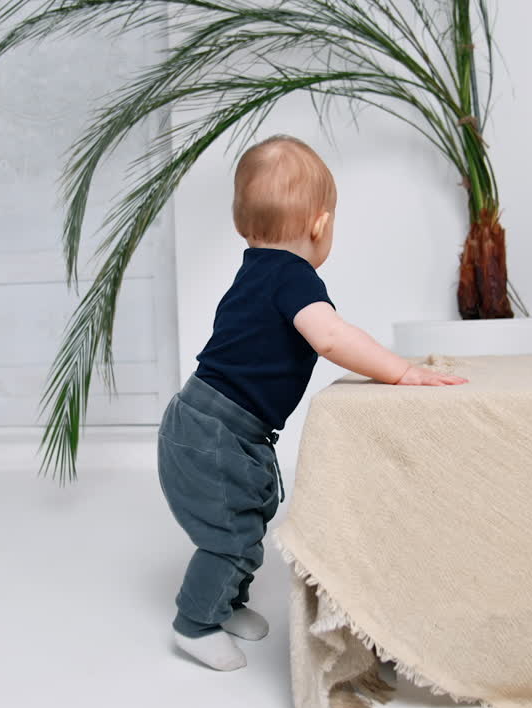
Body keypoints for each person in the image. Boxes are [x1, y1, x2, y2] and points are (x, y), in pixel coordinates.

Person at [159, 135, 468, 671]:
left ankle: (227, 603)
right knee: (230, 534)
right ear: (321, 225)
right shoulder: (292, 275)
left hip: (210, 422)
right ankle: (194, 623)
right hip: (215, 432)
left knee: (248, 521)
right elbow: (330, 337)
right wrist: (401, 371)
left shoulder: (256, 267)